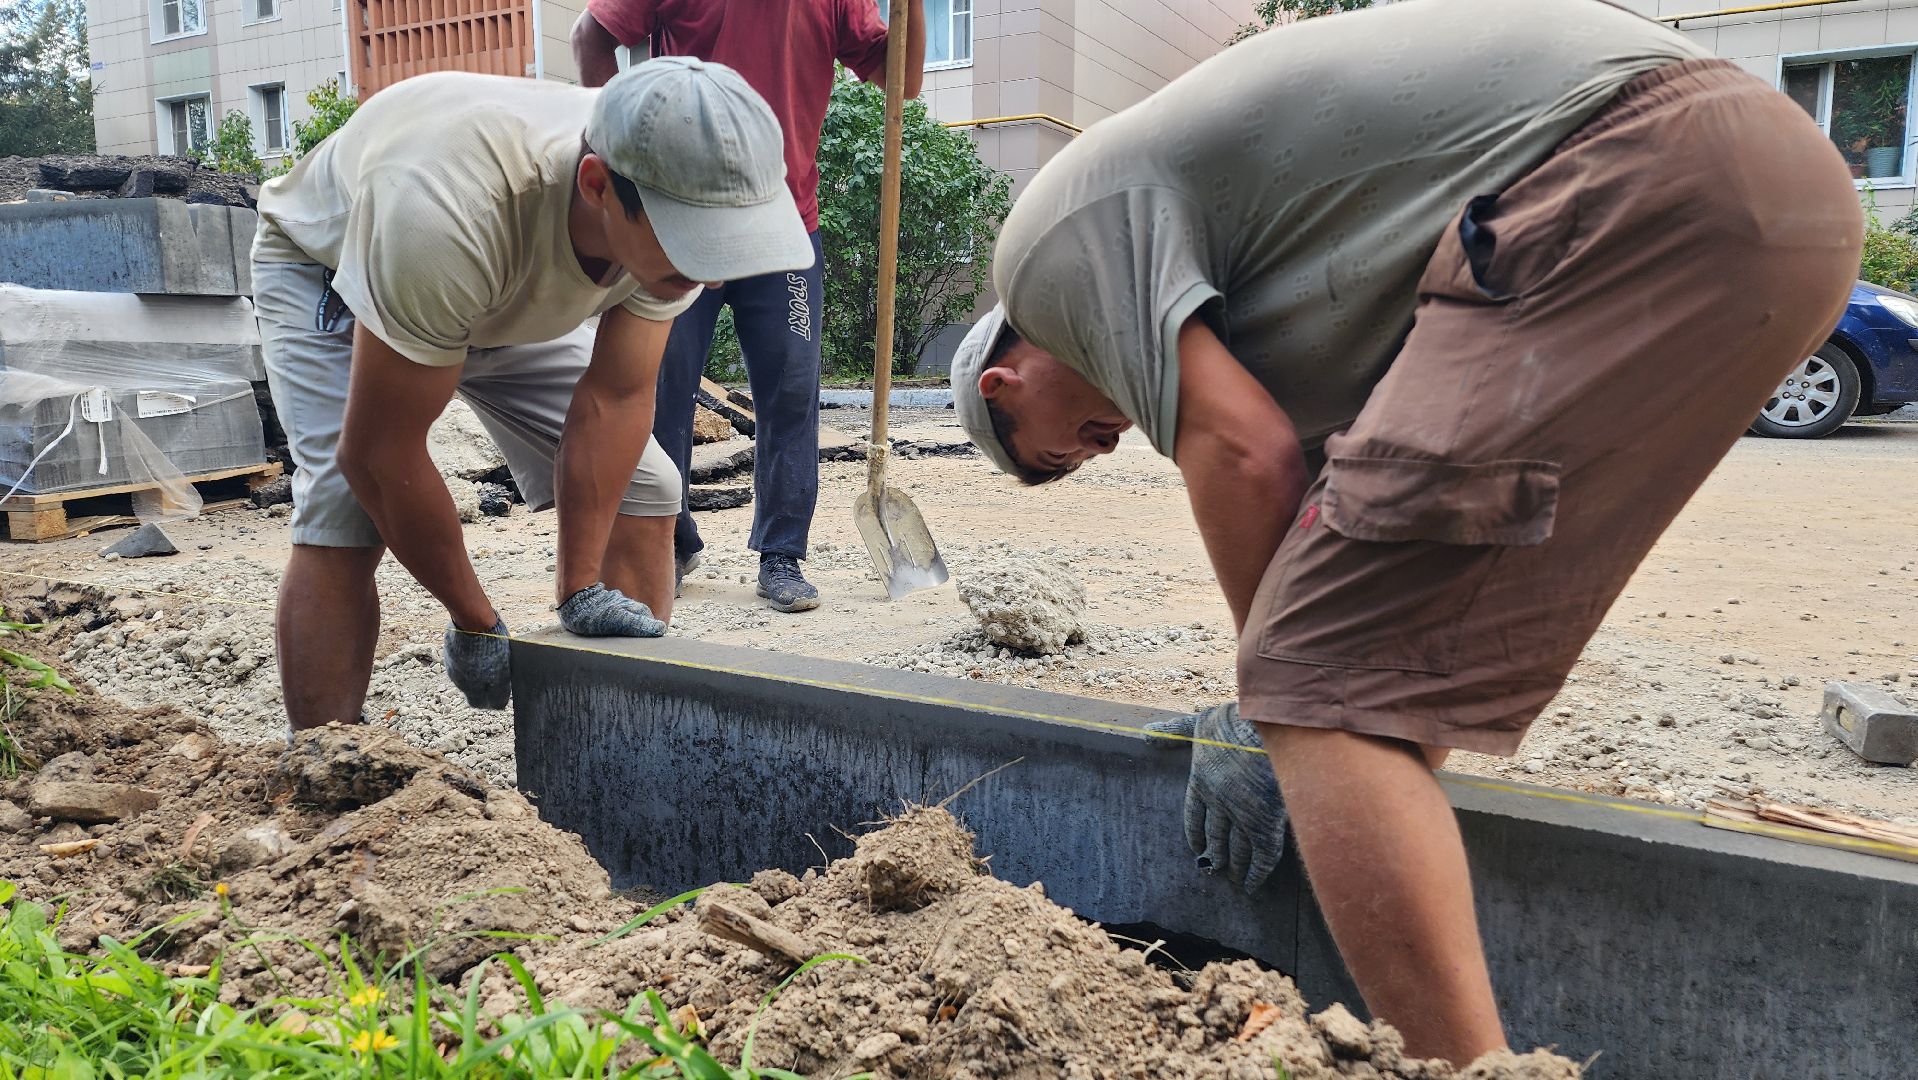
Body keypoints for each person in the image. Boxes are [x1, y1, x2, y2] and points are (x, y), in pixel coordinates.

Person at [947, 0, 1862, 1062]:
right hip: (1775, 201)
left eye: (1059, 451)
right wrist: (1308, 691)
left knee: (1313, 681)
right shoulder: (1280, 303)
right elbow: (1349, 548)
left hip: (1629, 168)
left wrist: (1269, 696)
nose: (1102, 449)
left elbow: (1248, 459)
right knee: (1366, 690)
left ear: (1004, 382)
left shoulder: (1042, 261)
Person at [252, 57, 814, 728]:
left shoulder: (667, 186)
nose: (711, 277)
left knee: (647, 486)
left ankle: (618, 750)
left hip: (495, 282)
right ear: (598, 185)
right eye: (694, 246)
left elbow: (616, 398)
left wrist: (582, 588)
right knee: (347, 512)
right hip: (337, 266)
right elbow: (380, 455)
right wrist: (475, 619)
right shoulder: (445, 207)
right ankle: (326, 772)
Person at [572, 0, 925, 613]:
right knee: (659, 385)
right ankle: (670, 540)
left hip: (783, 229)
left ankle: (782, 554)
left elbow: (905, 81)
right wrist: (621, 151)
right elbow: (590, 36)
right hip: (683, 220)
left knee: (791, 389)